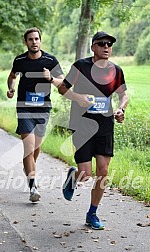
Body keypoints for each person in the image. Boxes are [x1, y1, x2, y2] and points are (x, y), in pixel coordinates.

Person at [58, 31, 128, 229]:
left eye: (109, 44)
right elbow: (62, 88)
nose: (106, 47)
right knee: (85, 174)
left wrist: (121, 109)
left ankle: (92, 214)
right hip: (82, 125)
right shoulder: (81, 66)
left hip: (105, 125)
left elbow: (124, 94)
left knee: (103, 171)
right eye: (102, 43)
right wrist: (77, 98)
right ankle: (74, 176)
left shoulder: (116, 70)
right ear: (93, 47)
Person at [7, 27, 63, 202]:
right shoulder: (20, 60)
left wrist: (51, 78)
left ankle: (29, 167)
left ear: (40, 40)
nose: (34, 42)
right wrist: (10, 88)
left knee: (36, 147)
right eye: (30, 39)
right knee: (28, 147)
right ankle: (33, 187)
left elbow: (63, 83)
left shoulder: (50, 60)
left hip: (43, 108)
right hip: (24, 107)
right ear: (26, 42)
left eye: (36, 39)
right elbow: (12, 76)